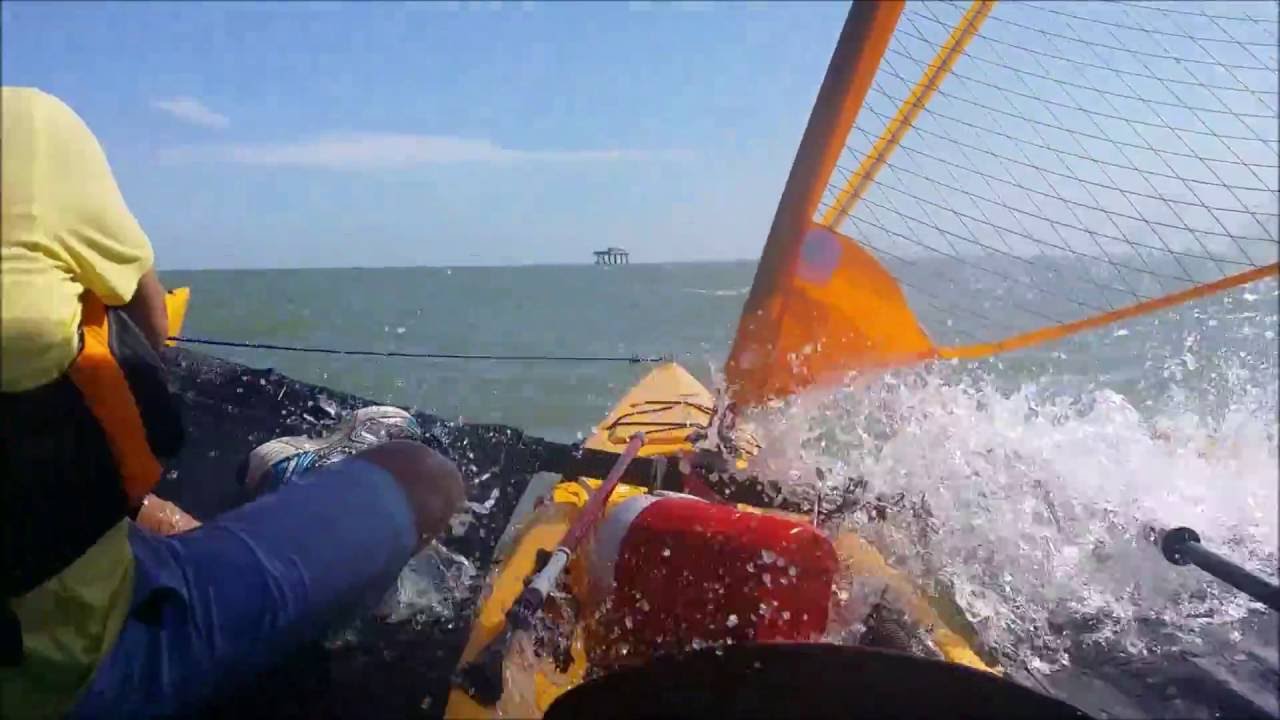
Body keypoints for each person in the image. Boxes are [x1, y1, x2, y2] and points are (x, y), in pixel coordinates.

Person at [1, 86, 466, 718]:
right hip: (74, 678)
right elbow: (151, 325)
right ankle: (307, 521)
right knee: (424, 475)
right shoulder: (26, 128)